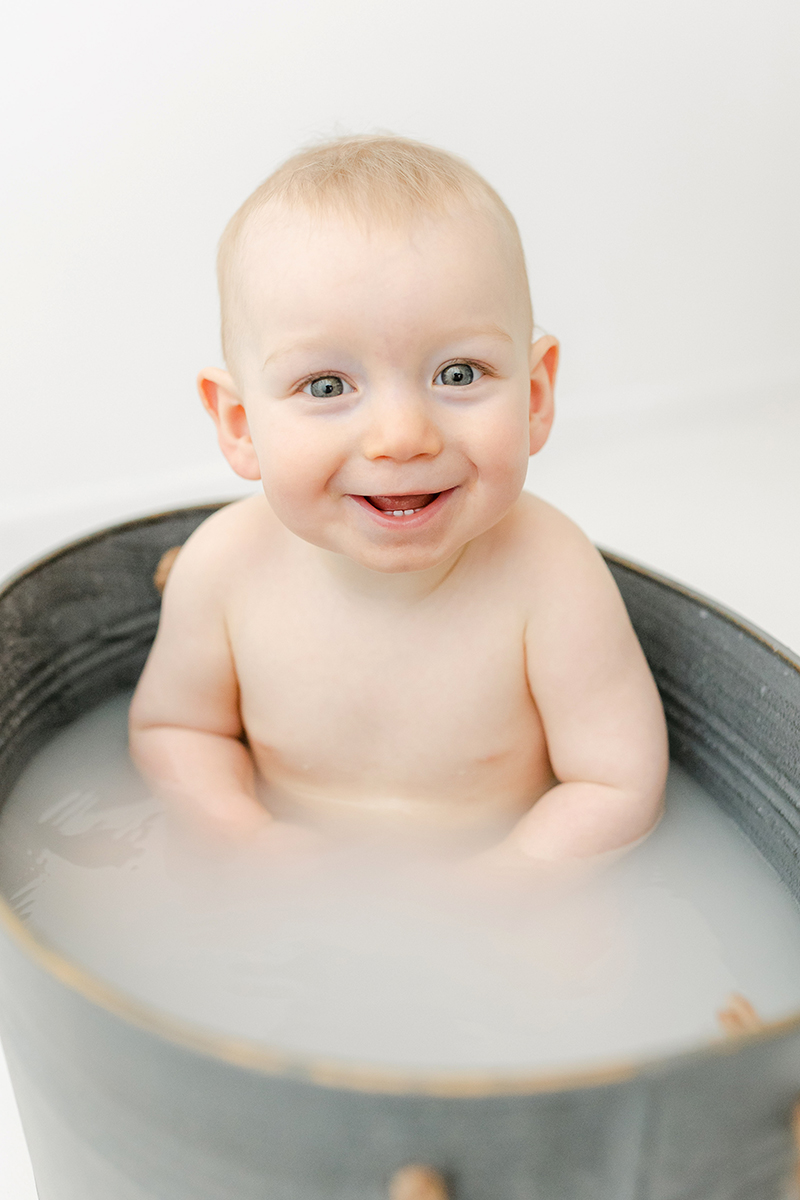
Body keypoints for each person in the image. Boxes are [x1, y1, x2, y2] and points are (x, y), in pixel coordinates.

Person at [129, 134, 668, 864]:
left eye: (457, 372)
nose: (401, 436)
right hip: (283, 895)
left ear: (535, 396)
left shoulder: (551, 574)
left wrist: (510, 883)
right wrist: (244, 838)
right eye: (327, 387)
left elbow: (615, 785)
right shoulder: (224, 567)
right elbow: (177, 732)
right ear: (239, 424)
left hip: (508, 892)